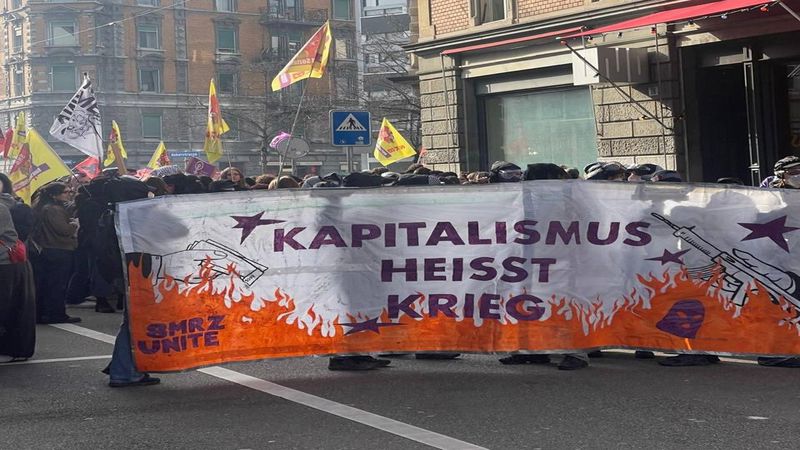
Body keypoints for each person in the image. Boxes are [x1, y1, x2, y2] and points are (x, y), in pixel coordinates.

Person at [758, 155, 800, 368]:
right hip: (780, 261)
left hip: (796, 259)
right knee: (782, 307)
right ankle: (774, 353)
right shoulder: (768, 198)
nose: (798, 175)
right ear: (781, 176)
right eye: (794, 172)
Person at [29, 182, 80, 324]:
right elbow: (63, 230)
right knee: (57, 284)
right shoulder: (53, 210)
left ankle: (43, 313)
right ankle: (55, 313)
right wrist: (74, 225)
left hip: (48, 249)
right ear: (54, 195)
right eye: (65, 192)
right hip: (59, 249)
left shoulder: (42, 208)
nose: (69, 194)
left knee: (48, 283)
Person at [0, 173, 36, 363]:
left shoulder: (8, 208)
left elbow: (16, 234)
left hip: (7, 264)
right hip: (10, 263)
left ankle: (10, 349)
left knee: (8, 308)